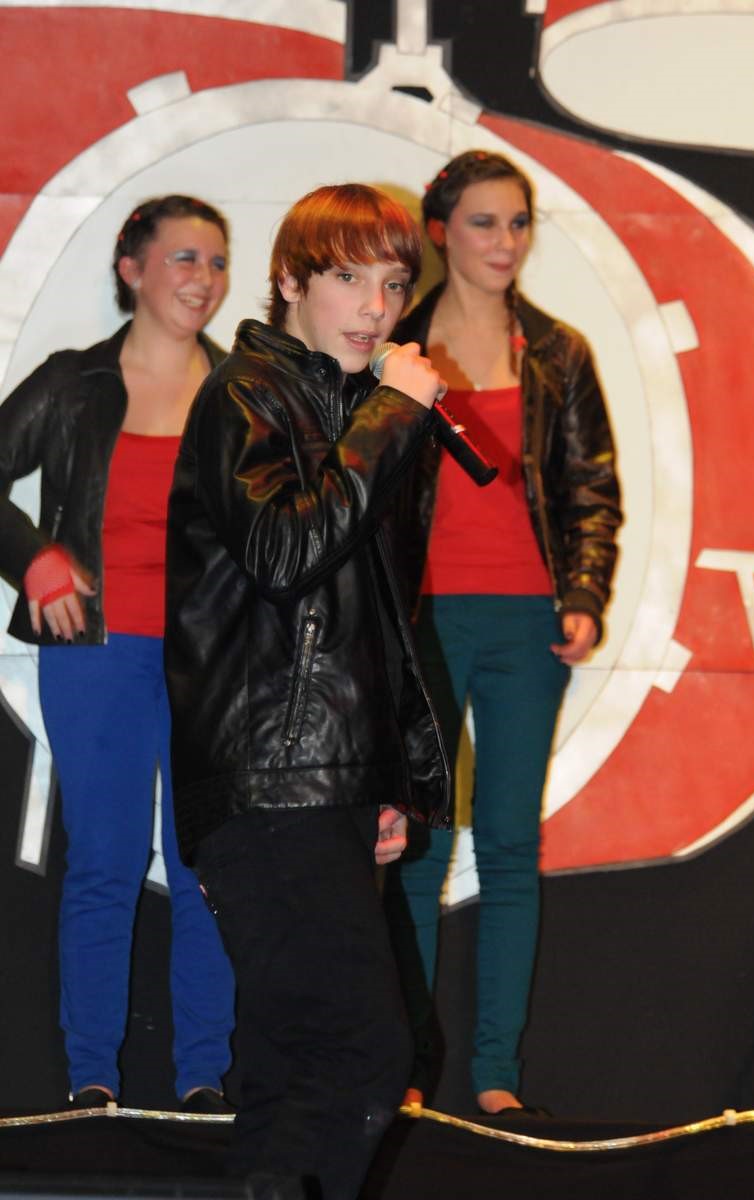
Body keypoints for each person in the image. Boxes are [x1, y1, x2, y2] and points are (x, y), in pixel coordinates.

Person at [164, 183, 450, 1199]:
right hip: (267, 777)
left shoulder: (351, 411)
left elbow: (371, 616)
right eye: (347, 278)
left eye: (393, 285)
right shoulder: (246, 395)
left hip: (322, 775)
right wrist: (393, 416)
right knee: (362, 1047)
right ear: (288, 279)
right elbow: (286, 554)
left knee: (291, 1065)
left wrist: (380, 773)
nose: (375, 308)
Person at [383, 149, 623, 1116]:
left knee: (511, 847)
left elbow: (591, 489)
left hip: (529, 626)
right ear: (440, 231)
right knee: (421, 848)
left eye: (518, 222)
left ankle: (495, 1078)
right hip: (425, 621)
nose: (505, 241)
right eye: (484, 222)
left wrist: (585, 594)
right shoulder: (394, 347)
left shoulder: (558, 350)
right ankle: (408, 1069)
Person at [0, 195, 236, 1112]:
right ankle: (90, 1081)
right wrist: (34, 558)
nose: (204, 278)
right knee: (103, 863)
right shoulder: (75, 383)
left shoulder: (244, 392)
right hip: (95, 653)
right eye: (184, 258)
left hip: (213, 661)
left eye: (216, 261)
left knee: (204, 868)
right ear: (131, 269)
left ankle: (203, 1080)